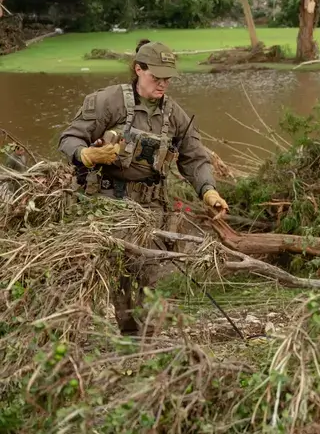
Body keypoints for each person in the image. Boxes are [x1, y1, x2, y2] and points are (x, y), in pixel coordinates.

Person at [58, 39, 230, 336]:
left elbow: (194, 158)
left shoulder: (176, 116)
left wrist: (208, 190)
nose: (163, 84)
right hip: (109, 204)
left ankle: (148, 338)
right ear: (138, 70)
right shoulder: (107, 102)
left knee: (155, 271)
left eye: (168, 79)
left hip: (153, 208)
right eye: (156, 77)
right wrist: (86, 154)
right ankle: (131, 334)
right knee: (124, 276)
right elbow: (69, 139)